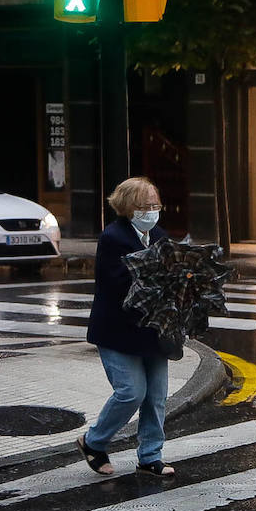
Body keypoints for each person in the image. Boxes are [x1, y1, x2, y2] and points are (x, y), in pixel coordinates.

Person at [77, 177, 176, 478]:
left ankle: (150, 456)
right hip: (118, 331)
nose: (151, 211)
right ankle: (93, 442)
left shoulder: (160, 235)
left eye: (155, 205)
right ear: (128, 207)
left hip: (153, 330)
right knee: (131, 392)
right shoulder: (113, 237)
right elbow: (119, 283)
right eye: (144, 206)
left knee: (156, 396)